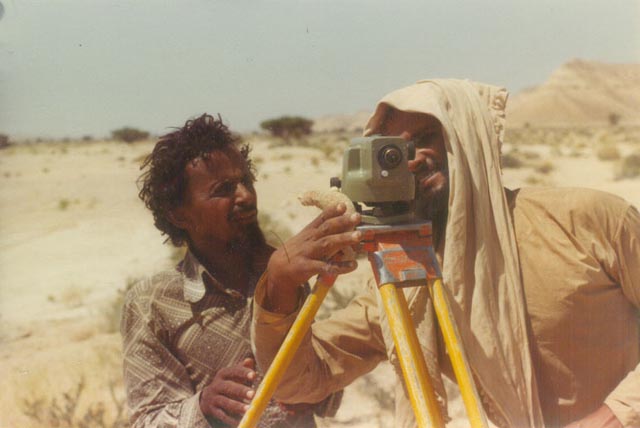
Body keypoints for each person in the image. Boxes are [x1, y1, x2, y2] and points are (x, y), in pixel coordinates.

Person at [252, 79, 640, 427]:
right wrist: (280, 285)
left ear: (466, 143)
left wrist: (615, 416)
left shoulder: (588, 219)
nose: (411, 158)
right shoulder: (409, 277)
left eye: (425, 138)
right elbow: (300, 379)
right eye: (393, 150)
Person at [121, 113, 360, 427]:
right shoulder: (152, 302)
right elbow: (146, 419)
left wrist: (312, 390)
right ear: (179, 215)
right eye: (223, 190)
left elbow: (321, 380)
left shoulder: (285, 273)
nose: (246, 196)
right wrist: (203, 406)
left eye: (245, 181)